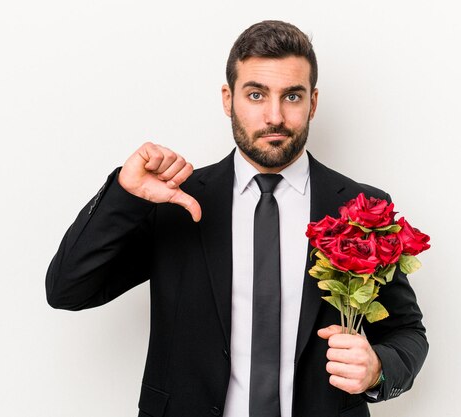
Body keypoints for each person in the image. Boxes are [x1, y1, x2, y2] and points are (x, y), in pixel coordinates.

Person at [46, 20, 428, 417]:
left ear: (313, 103)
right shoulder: (177, 199)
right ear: (228, 99)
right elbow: (67, 290)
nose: (274, 116)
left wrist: (379, 370)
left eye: (292, 96)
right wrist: (124, 197)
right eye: (256, 94)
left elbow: (406, 332)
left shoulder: (361, 208)